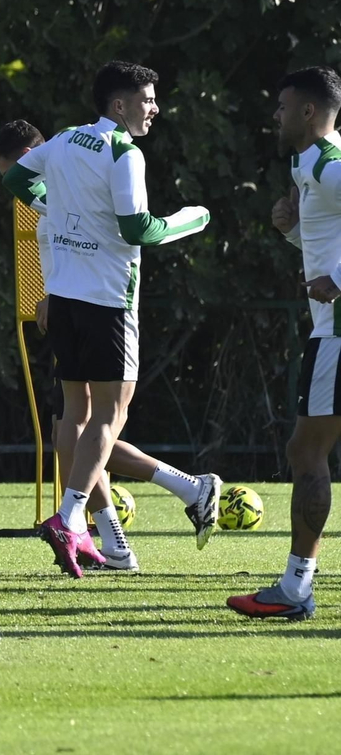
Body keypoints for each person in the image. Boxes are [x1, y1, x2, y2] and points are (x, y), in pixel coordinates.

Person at [3, 61, 211, 578]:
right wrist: (191, 219)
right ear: (119, 106)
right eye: (147, 98)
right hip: (108, 300)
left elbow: (15, 176)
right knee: (107, 418)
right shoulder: (125, 152)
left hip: (66, 301)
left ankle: (121, 536)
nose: (154, 107)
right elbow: (138, 228)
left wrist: (53, 208)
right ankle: (72, 516)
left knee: (75, 421)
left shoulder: (69, 138)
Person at [229, 66, 341, 619]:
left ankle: (296, 590)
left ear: (306, 112)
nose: (274, 115)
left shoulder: (329, 163)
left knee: (305, 451)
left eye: (281, 105)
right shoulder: (308, 165)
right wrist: (293, 231)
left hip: (338, 330)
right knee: (307, 450)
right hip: (330, 327)